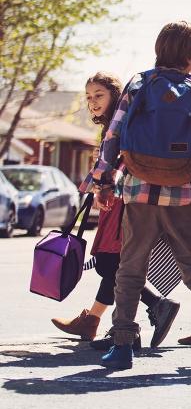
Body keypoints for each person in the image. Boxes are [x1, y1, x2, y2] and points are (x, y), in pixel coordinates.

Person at [91, 21, 191, 371]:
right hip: (185, 191)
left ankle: (121, 346)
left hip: (139, 189)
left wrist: (104, 180)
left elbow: (114, 136)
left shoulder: (139, 83)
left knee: (130, 268)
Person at [52, 72, 179, 348]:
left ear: (115, 94)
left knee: (114, 263)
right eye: (88, 97)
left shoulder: (122, 122)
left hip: (122, 200)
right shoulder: (112, 122)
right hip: (115, 200)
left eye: (99, 95)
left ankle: (154, 306)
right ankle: (98, 320)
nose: (93, 102)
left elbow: (120, 161)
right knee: (115, 264)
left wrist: (99, 186)